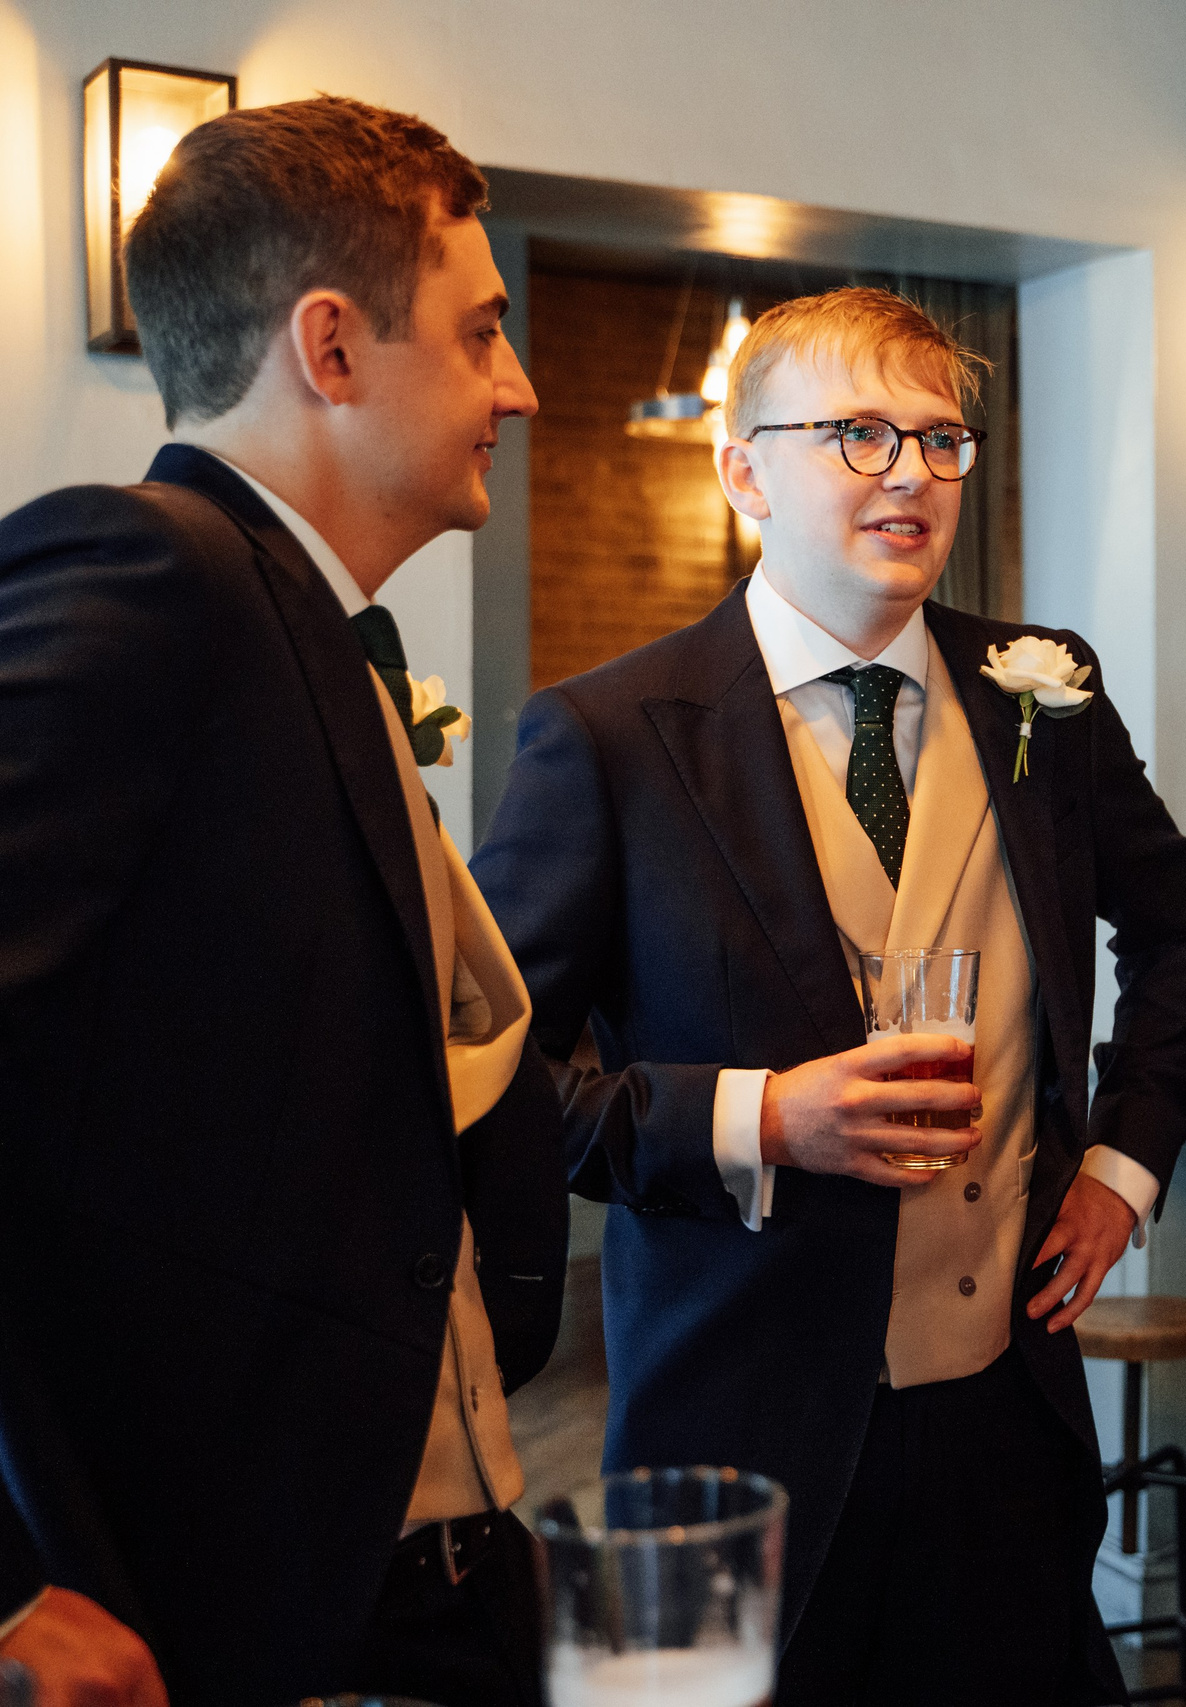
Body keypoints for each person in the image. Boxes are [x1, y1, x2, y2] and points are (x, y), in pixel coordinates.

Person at [471, 286, 1186, 1705]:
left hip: (1007, 1408)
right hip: (738, 1432)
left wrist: (1124, 1161)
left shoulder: (1039, 698)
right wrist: (763, 1115)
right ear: (744, 467)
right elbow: (500, 1076)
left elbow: (1182, 925)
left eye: (942, 441)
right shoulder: (612, 737)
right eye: (859, 434)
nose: (911, 476)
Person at [0, 97, 566, 1707]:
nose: (517, 387)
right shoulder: (148, 572)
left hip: (432, 1554)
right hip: (245, 1592)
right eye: (480, 334)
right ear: (331, 347)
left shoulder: (305, 626)